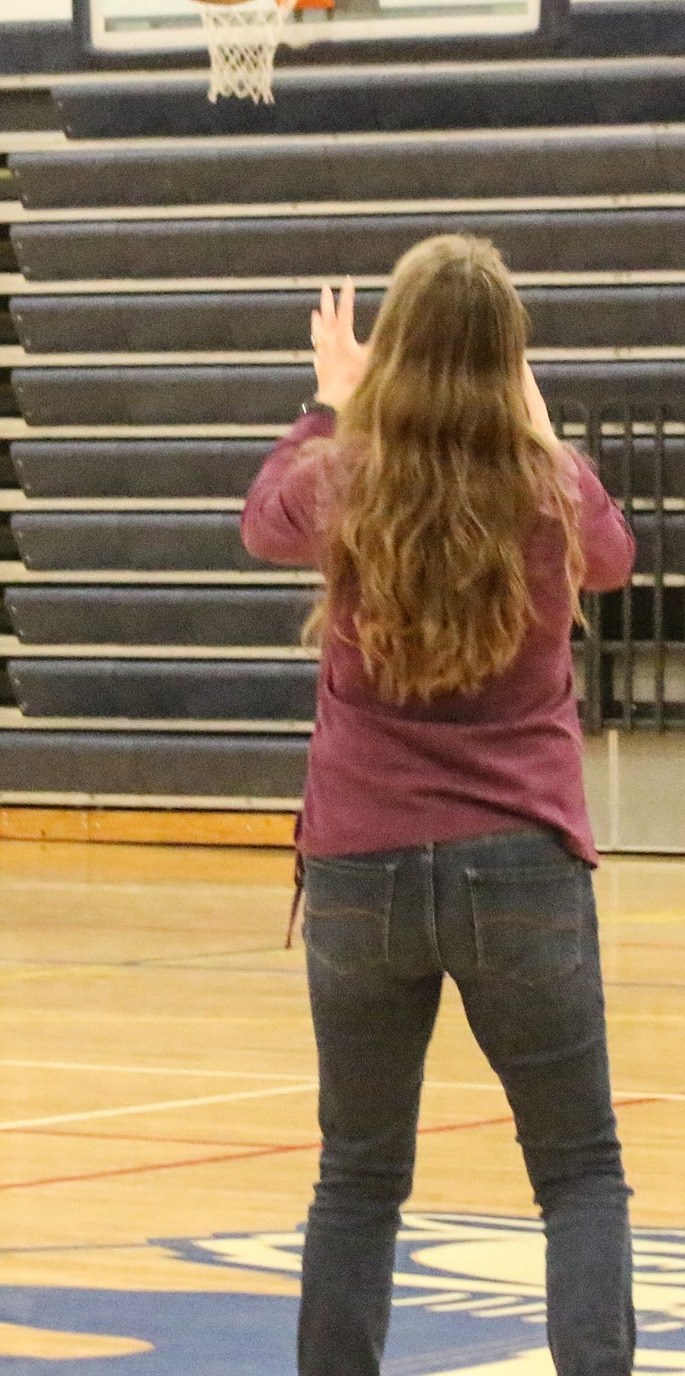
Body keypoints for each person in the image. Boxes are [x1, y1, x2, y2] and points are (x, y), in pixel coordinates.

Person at [240, 234, 636, 1376]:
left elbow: (265, 516)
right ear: (512, 358)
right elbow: (611, 555)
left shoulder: (346, 474)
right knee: (578, 1170)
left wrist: (328, 403)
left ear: (395, 350)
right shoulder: (548, 483)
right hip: (522, 860)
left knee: (357, 1175)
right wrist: (544, 422)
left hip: (362, 865)